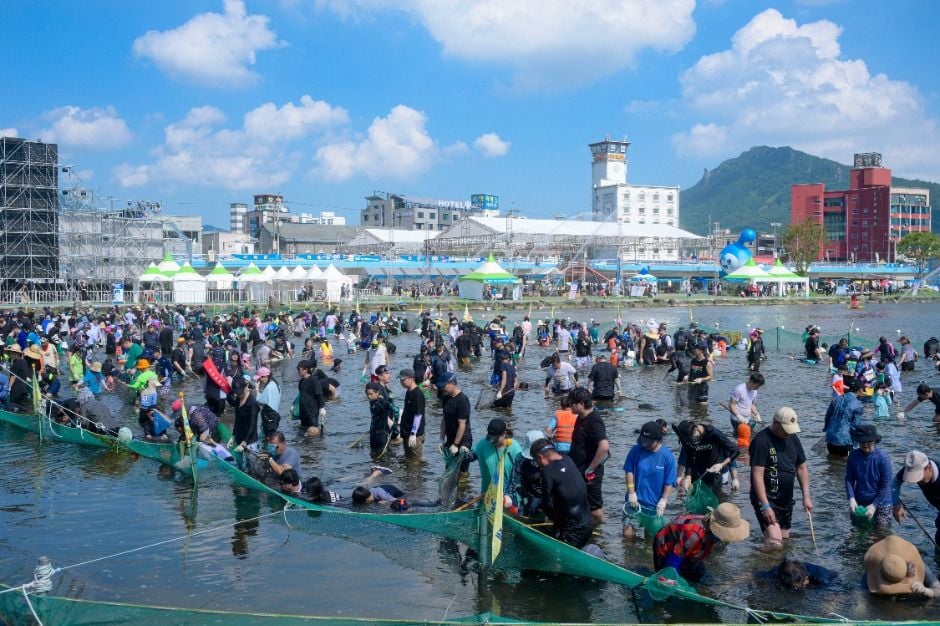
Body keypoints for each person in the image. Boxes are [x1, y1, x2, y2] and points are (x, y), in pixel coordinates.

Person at [750, 407, 812, 547]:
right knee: (775, 543)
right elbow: (757, 475)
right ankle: (756, 564)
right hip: (766, 498)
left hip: (785, 500)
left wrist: (806, 495)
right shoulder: (761, 441)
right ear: (776, 423)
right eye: (785, 429)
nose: (787, 433)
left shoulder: (793, 438)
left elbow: (801, 468)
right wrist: (766, 506)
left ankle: (774, 565)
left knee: (784, 542)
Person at [652, 502, 750, 582]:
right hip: (665, 546)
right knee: (666, 579)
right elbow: (676, 555)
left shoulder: (710, 529)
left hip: (687, 544)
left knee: (697, 575)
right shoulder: (694, 535)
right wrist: (670, 577)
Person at [529, 438, 593, 548]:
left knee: (560, 561)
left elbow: (547, 504)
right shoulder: (568, 459)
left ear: (540, 457)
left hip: (573, 530)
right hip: (588, 521)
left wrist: (550, 517)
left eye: (536, 461)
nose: (538, 465)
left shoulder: (547, 471)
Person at [623, 420, 677, 540]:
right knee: (628, 538)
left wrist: (664, 500)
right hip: (634, 503)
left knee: (651, 541)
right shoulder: (636, 450)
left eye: (648, 442)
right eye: (643, 441)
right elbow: (629, 471)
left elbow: (669, 482)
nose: (644, 445)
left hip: (654, 507)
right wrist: (631, 493)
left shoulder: (667, 457)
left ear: (659, 440)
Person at [568, 387, 609, 519]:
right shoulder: (580, 418)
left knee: (595, 508)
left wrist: (591, 468)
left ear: (581, 403)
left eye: (572, 402)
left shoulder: (594, 420)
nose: (569, 405)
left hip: (590, 473)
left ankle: (598, 534)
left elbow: (604, 446)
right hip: (579, 467)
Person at [845, 424, 892, 530]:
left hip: (882, 502)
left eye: (868, 441)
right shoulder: (853, 456)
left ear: (875, 441)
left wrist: (874, 505)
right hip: (860, 501)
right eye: (862, 441)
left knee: (881, 533)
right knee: (858, 531)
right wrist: (851, 498)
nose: (865, 444)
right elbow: (849, 479)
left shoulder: (883, 458)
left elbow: (886, 485)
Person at [674, 420, 738, 497]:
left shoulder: (713, 434)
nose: (692, 441)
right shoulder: (687, 439)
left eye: (693, 437)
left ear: (695, 429)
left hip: (714, 472)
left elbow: (735, 451)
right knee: (694, 502)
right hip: (697, 474)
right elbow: (689, 457)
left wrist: (722, 465)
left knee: (714, 501)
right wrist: (688, 476)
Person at [864, 535, 940, 598]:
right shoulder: (874, 566)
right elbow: (860, 591)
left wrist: (926, 591)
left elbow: (938, 589)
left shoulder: (919, 566)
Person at [891, 450, 940, 546]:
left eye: (919, 477)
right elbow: (896, 481)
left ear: (929, 468)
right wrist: (896, 503)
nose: (916, 481)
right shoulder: (913, 465)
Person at [473, 418, 522, 494]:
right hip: (488, 494)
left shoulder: (514, 448)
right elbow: (472, 455)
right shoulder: (483, 444)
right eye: (490, 438)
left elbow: (519, 475)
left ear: (504, 434)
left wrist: (509, 494)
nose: (492, 442)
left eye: (495, 439)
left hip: (509, 495)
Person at [440, 373, 472, 471]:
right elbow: (444, 419)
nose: (442, 388)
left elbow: (462, 425)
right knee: (449, 468)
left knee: (462, 472)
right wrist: (441, 438)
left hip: (462, 442)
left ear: (453, 384)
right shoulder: (446, 398)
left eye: (444, 385)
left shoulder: (463, 401)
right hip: (450, 439)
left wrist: (456, 444)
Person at [823, 378, 864, 456]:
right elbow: (855, 426)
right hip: (845, 441)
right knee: (846, 464)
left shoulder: (836, 399)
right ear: (860, 390)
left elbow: (828, 417)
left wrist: (826, 428)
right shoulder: (858, 405)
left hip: (830, 438)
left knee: (832, 464)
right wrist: (856, 441)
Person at [398, 368, 425, 458]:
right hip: (406, 433)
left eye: (403, 380)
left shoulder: (417, 394)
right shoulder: (408, 392)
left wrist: (413, 433)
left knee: (416, 462)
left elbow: (418, 415)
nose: (401, 382)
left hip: (414, 435)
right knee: (409, 460)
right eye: (400, 380)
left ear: (412, 378)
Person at [366, 381, 396, 454]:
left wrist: (394, 430)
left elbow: (390, 411)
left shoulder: (382, 403)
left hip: (381, 435)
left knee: (383, 457)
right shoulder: (372, 401)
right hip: (373, 432)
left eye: (371, 394)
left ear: (377, 393)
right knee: (373, 455)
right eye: (367, 394)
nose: (369, 396)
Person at [765, 558, 834, 590]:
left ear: (806, 578)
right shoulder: (777, 572)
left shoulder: (823, 579)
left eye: (797, 587)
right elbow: (759, 575)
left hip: (830, 576)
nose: (795, 589)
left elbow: (834, 591)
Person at [296, 360, 325, 437]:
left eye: (299, 369)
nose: (298, 371)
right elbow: (300, 395)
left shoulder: (313, 380)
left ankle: (314, 446)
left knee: (313, 432)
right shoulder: (301, 382)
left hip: (312, 411)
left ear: (306, 369)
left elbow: (319, 395)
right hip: (303, 411)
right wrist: (294, 405)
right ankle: (306, 447)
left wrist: (321, 408)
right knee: (303, 430)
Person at [231, 380, 260, 452]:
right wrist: (233, 436)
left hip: (250, 442)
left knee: (249, 462)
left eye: (240, 392)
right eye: (236, 393)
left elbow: (252, 425)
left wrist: (244, 443)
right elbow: (237, 419)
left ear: (246, 386)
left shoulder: (252, 404)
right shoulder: (238, 399)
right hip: (239, 438)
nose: (238, 395)